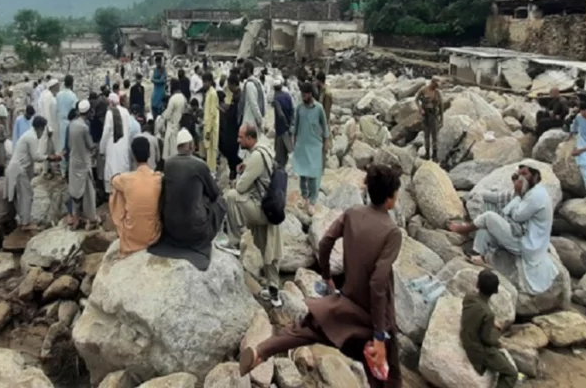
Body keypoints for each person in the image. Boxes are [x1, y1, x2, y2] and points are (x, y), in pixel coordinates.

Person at [240, 164, 404, 386]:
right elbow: (377, 283)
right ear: (390, 199)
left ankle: (261, 351)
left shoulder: (352, 213)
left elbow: (326, 242)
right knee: (387, 376)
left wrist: (327, 275)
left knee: (307, 330)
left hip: (343, 304)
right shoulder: (392, 232)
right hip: (373, 317)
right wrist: (379, 335)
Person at [448, 166, 558, 296]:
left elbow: (517, 215)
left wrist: (517, 192)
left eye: (524, 174)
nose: (521, 178)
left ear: (534, 177)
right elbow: (500, 197)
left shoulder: (536, 195)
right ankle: (478, 253)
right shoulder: (528, 192)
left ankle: (463, 230)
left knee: (489, 217)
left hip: (526, 243)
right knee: (485, 227)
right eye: (518, 175)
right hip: (519, 233)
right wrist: (473, 195)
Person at [149, 129, 224, 271]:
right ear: (191, 146)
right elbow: (214, 194)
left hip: (171, 229)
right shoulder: (199, 165)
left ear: (178, 147)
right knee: (220, 203)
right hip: (194, 231)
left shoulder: (168, 164)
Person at [225, 124, 283, 306]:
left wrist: (238, 179)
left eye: (241, 137)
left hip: (263, 209)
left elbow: (241, 187)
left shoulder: (257, 156)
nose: (238, 140)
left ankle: (234, 241)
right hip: (271, 208)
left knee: (231, 196)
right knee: (268, 246)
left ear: (250, 139)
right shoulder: (264, 149)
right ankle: (274, 291)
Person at [460, 270, 520, 388]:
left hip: (467, 336)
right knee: (512, 374)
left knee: (502, 359)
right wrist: (497, 337)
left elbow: (477, 316)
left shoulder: (469, 297)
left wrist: (491, 324)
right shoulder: (488, 314)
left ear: (478, 284)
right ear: (495, 291)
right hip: (477, 349)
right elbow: (487, 339)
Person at [110, 137, 162, 256]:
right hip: (153, 236)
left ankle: (121, 222)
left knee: (117, 191)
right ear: (149, 154)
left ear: (133, 155)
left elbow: (112, 180)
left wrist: (119, 176)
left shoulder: (126, 179)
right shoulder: (158, 178)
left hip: (131, 237)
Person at [7, 116, 59, 228]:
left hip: (16, 168)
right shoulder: (32, 137)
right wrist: (50, 158)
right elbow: (35, 156)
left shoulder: (28, 135)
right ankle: (25, 223)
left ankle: (22, 219)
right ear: (40, 128)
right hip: (19, 169)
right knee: (27, 195)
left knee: (20, 196)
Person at [294, 82, 329, 206]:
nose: (303, 96)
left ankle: (313, 201)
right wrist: (295, 142)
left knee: (313, 174)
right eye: (302, 94)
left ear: (310, 94)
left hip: (315, 146)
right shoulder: (299, 108)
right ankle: (304, 196)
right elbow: (296, 126)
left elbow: (325, 127)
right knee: (302, 173)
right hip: (302, 145)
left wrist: (326, 143)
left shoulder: (319, 108)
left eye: (305, 94)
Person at [67, 100, 98, 228]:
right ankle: (91, 217)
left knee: (75, 191)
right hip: (84, 163)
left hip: (74, 161)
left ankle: (75, 218)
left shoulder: (72, 124)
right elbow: (90, 145)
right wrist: (97, 147)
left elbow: (69, 144)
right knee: (88, 192)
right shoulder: (84, 127)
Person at [101, 93, 134, 194]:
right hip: (124, 145)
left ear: (110, 102)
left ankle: (113, 196)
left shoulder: (110, 113)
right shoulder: (126, 112)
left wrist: (102, 149)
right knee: (123, 168)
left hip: (112, 146)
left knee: (112, 169)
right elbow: (129, 128)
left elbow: (106, 131)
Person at [416, 77, 444, 162]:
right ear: (432, 83)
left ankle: (435, 155)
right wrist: (420, 109)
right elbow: (416, 100)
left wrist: (442, 119)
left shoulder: (437, 93)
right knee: (426, 136)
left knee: (435, 137)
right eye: (435, 85)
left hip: (434, 117)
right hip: (426, 117)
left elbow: (441, 106)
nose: (436, 87)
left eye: (437, 85)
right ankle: (427, 154)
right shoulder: (423, 90)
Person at [56, 75, 78, 174]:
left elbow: (56, 108)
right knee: (70, 146)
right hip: (70, 123)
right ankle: (70, 168)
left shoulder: (59, 94)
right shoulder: (73, 96)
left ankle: (63, 170)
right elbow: (75, 110)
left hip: (61, 121)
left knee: (61, 145)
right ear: (72, 83)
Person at [271, 79, 295, 167]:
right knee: (288, 151)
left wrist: (285, 125)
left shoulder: (276, 99)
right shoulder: (287, 96)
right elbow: (292, 110)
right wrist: (291, 124)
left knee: (279, 155)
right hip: (289, 128)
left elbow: (280, 115)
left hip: (281, 129)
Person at [160, 88, 186, 161]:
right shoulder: (183, 97)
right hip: (179, 125)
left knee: (170, 148)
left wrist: (163, 116)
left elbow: (167, 115)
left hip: (172, 125)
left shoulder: (173, 99)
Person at [239, 60, 266, 133]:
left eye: (242, 69)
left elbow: (254, 104)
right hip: (254, 122)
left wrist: (260, 120)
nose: (240, 71)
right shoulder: (257, 82)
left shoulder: (249, 84)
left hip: (250, 122)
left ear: (247, 69)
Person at [201, 72, 220, 173]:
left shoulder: (212, 94)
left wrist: (208, 130)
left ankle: (212, 172)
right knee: (209, 151)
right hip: (208, 125)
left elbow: (212, 113)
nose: (203, 84)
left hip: (211, 127)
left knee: (212, 151)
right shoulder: (208, 93)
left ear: (210, 82)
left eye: (205, 82)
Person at [39, 79, 60, 157]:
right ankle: (43, 167)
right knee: (45, 145)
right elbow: (46, 111)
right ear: (53, 86)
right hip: (48, 124)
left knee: (49, 146)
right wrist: (49, 127)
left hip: (52, 123)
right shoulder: (47, 96)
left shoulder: (51, 95)